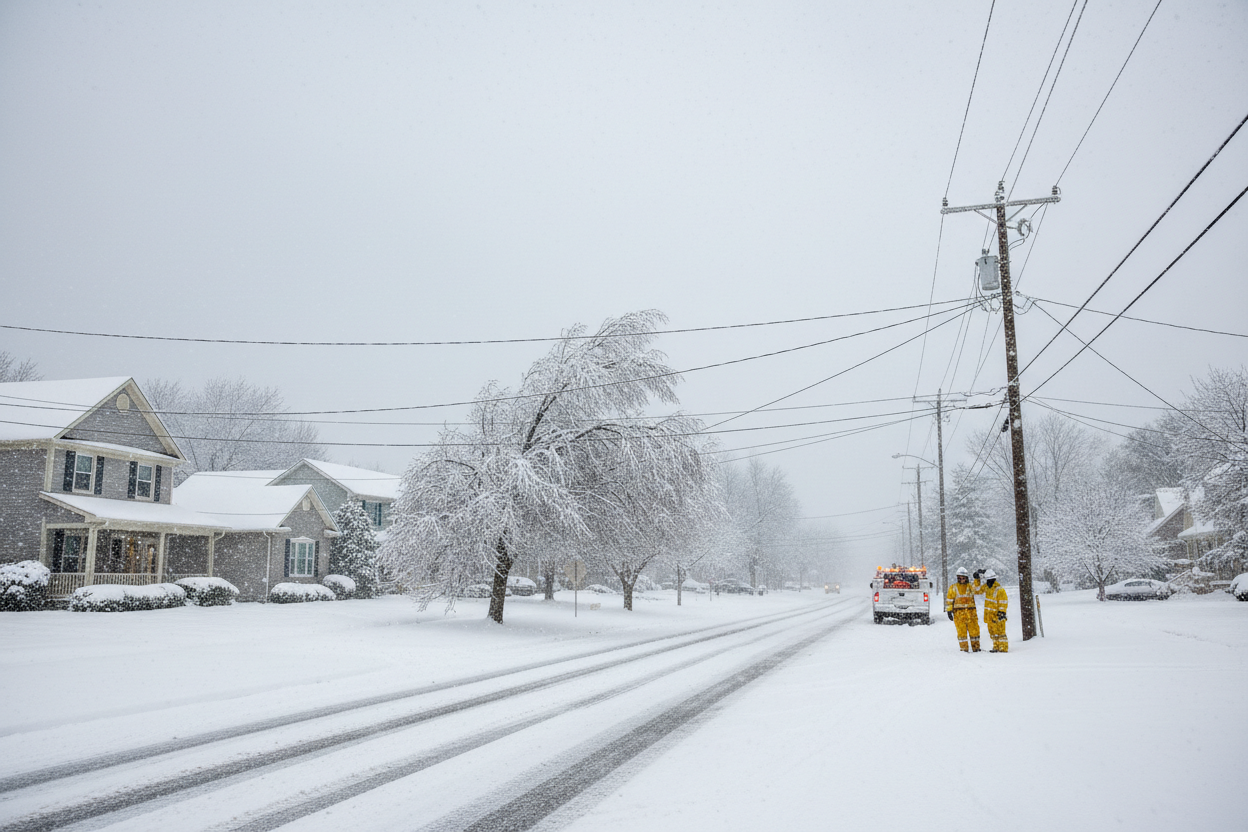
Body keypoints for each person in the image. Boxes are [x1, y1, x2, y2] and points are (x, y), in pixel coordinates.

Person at [945, 566, 981, 652]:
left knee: (974, 632)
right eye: (960, 578)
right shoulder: (953, 587)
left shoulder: (970, 586)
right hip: (959, 614)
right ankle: (964, 649)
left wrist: (977, 578)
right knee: (962, 633)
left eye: (963, 577)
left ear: (966, 578)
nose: (961, 579)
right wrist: (949, 610)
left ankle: (976, 648)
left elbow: (977, 587)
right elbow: (949, 600)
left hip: (971, 613)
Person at [981, 569, 1009, 653]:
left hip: (998, 616)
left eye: (990, 580)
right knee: (993, 633)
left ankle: (1003, 648)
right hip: (990, 616)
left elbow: (1003, 601)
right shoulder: (987, 588)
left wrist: (1002, 612)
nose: (989, 582)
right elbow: (977, 590)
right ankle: (996, 647)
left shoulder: (999, 590)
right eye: (988, 580)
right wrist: (976, 579)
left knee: (1001, 633)